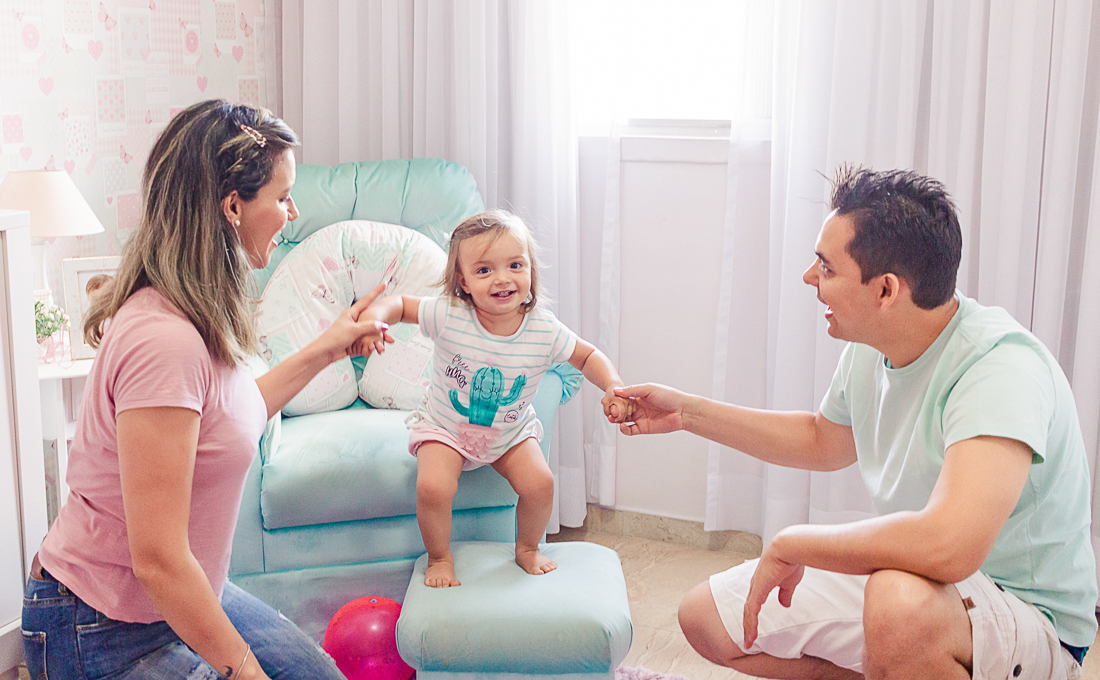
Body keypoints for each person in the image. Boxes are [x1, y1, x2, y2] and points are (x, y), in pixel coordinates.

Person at [616, 166, 1097, 679]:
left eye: (825, 267)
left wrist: (794, 541)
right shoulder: (873, 347)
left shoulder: (1000, 367)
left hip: (1028, 615)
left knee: (897, 605)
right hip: (923, 585)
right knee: (708, 620)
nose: (808, 277)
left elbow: (950, 546)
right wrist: (687, 413)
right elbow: (822, 440)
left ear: (886, 290)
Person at [22, 99, 389, 680]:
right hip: (101, 626)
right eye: (283, 196)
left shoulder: (200, 312)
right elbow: (160, 560)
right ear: (233, 207)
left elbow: (232, 421)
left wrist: (328, 347)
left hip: (175, 599)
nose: (292, 212)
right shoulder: (163, 341)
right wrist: (244, 672)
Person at [356, 210, 633, 587]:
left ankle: (528, 548)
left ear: (530, 271)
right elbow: (403, 305)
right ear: (463, 282)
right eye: (484, 270)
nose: (502, 278)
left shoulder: (543, 329)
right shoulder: (450, 314)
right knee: (433, 487)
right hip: (445, 428)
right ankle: (439, 557)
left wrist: (612, 384)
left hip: (510, 432)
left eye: (515, 265)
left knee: (541, 484)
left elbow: (586, 356)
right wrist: (376, 315)